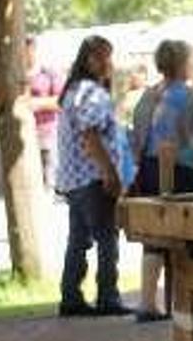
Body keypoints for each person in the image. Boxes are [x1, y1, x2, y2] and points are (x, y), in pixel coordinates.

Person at [129, 39, 193, 322]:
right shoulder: (188, 96)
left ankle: (147, 304)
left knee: (155, 236)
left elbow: (137, 141)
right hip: (184, 173)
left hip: (149, 170)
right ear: (183, 63)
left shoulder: (148, 95)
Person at [55, 35, 131, 317]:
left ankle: (71, 297)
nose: (107, 63)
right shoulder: (91, 92)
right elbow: (91, 136)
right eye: (101, 57)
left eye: (108, 56)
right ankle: (108, 297)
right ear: (87, 60)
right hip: (91, 178)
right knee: (106, 238)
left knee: (78, 240)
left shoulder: (73, 90)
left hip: (73, 180)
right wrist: (110, 173)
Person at [25, 36, 64, 188]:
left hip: (45, 135)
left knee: (47, 179)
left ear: (33, 49)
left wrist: (37, 103)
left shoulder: (48, 73)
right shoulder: (15, 74)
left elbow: (62, 101)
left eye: (28, 49)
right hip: (22, 136)